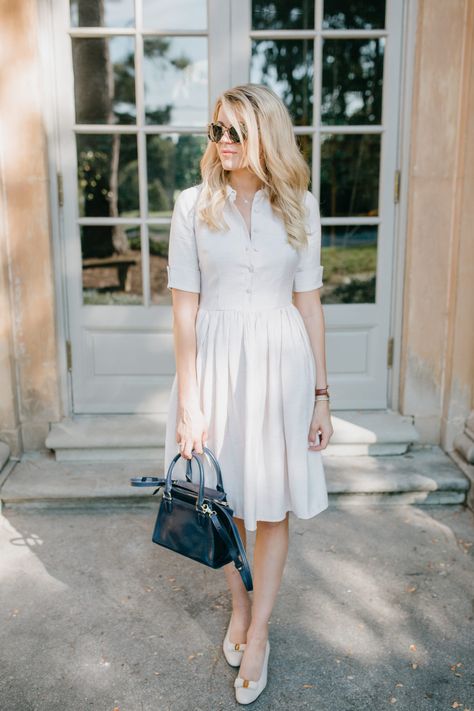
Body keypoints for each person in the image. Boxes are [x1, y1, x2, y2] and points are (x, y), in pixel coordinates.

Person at [164, 83, 334, 704]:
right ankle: (239, 607)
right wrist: (191, 402)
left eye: (237, 132)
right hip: (214, 365)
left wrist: (322, 394)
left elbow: (310, 306)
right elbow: (185, 312)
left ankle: (259, 633)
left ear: (266, 134)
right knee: (229, 496)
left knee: (273, 504)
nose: (225, 144)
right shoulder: (192, 205)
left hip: (281, 365)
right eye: (217, 132)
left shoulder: (300, 206)